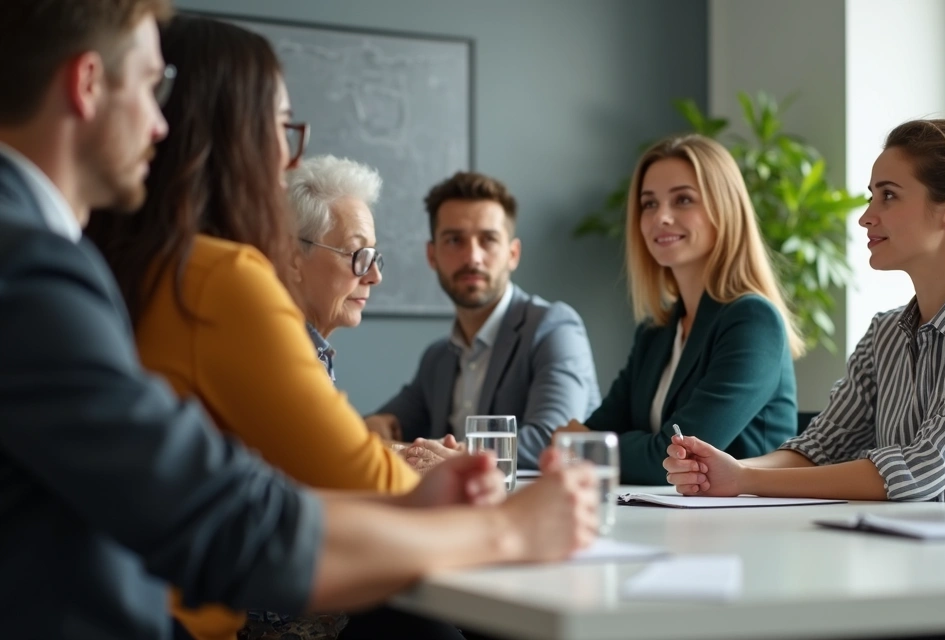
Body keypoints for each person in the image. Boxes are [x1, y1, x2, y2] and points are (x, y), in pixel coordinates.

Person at [0, 2, 598, 638]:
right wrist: (505, 526)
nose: (158, 125)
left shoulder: (82, 260)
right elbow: (228, 516)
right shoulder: (45, 267)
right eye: (152, 88)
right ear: (88, 84)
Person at [664, 119, 945, 503]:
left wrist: (745, 479)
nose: (866, 216)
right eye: (872, 196)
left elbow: (927, 471)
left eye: (888, 195)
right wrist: (724, 470)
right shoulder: (885, 331)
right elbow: (820, 448)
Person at [554, 134, 800, 485]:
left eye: (683, 200)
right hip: (665, 516)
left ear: (724, 210)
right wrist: (591, 444)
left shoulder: (752, 320)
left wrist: (591, 447)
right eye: (649, 204)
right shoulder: (656, 330)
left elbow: (669, 458)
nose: (661, 218)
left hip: (744, 522)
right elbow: (590, 434)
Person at [365, 171, 601, 471]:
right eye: (454, 240)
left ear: (512, 254)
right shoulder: (437, 358)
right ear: (432, 255)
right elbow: (380, 426)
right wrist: (377, 426)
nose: (472, 257)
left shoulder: (554, 328)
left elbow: (552, 440)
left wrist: (457, 457)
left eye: (488, 239)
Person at [285, 154, 386, 382]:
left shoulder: (311, 351)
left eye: (371, 255)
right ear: (292, 258)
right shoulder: (279, 357)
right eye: (356, 253)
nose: (374, 276)